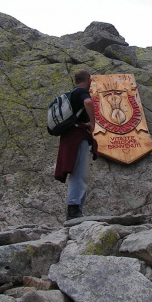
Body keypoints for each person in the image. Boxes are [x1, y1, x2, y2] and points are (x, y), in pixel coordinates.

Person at [54, 70, 97, 220]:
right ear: (88, 80)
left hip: (69, 136)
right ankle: (74, 209)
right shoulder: (81, 92)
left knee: (77, 171)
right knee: (79, 172)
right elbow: (88, 102)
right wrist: (92, 122)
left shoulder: (70, 94)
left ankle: (75, 208)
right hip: (77, 136)